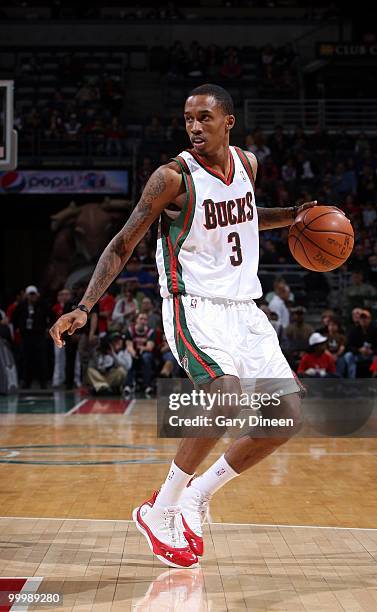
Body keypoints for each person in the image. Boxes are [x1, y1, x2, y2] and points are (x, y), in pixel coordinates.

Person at [49, 83, 316, 569]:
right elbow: (122, 242)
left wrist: (295, 218)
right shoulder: (171, 177)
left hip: (244, 308)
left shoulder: (248, 165)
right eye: (189, 118)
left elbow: (247, 220)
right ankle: (162, 507)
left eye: (205, 118)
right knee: (226, 395)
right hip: (193, 304)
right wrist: (85, 306)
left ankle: (196, 497)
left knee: (287, 418)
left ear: (228, 121)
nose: (195, 127)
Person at [12, 285, 52, 389]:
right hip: (26, 336)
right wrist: (18, 328)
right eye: (30, 294)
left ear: (37, 295)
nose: (32, 296)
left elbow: (51, 315)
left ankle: (43, 382)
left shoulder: (42, 305)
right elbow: (14, 318)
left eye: (34, 294)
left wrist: (48, 327)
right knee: (26, 359)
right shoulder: (21, 306)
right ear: (26, 295)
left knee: (41, 359)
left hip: (39, 335)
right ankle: (26, 382)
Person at [344, 310, 377, 378]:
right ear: (359, 320)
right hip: (359, 355)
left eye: (366, 318)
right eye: (362, 318)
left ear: (370, 319)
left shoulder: (376, 330)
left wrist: (372, 351)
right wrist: (359, 350)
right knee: (348, 356)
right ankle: (352, 379)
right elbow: (348, 346)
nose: (363, 320)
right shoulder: (353, 331)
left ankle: (375, 381)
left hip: (372, 355)